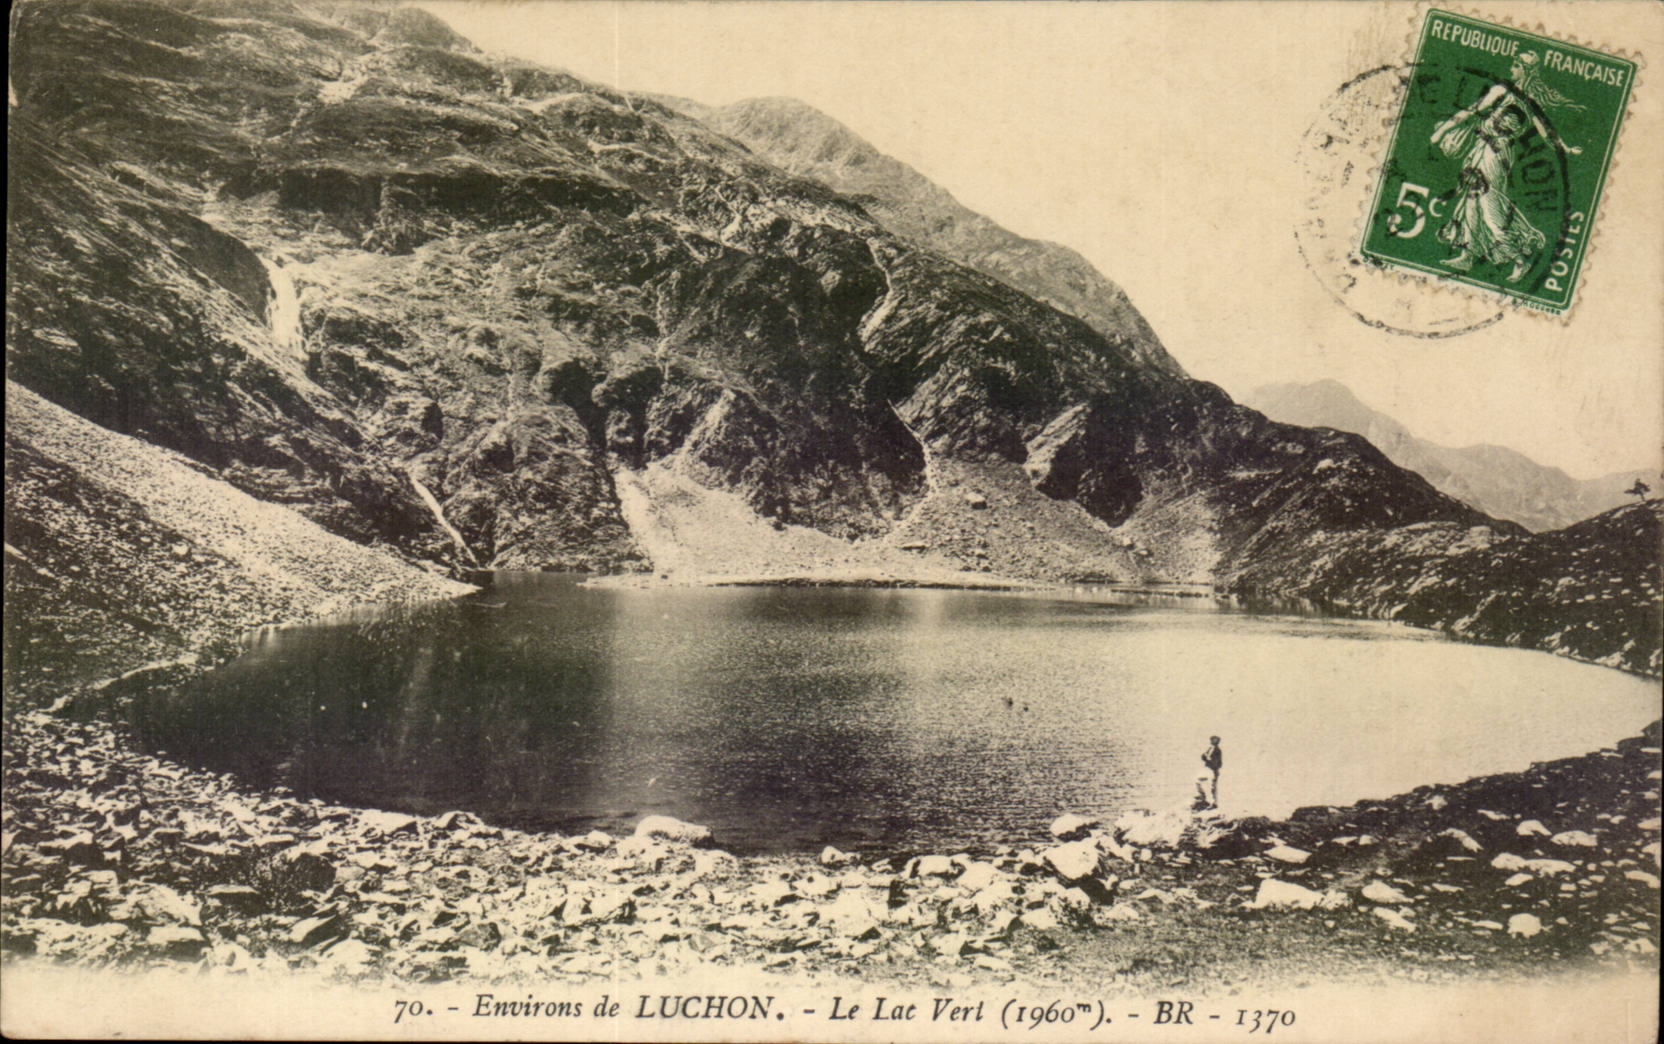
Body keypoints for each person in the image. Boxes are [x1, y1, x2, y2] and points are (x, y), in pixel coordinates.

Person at [1428, 51, 1583, 283]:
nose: (1512, 68)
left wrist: (1564, 148)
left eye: (1517, 64)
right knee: (1471, 203)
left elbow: (1545, 131)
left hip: (1494, 155)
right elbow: (1475, 111)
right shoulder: (1510, 93)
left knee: (1491, 209)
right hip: (1481, 150)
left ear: (1526, 70)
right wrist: (1443, 130)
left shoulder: (1511, 93)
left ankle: (1521, 258)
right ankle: (1469, 255)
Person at [1200, 735, 1223, 809]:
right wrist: (1205, 757)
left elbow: (1218, 763)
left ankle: (1213, 803)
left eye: (1213, 740)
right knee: (1201, 783)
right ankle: (1205, 800)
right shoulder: (1210, 749)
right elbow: (1203, 757)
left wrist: (1209, 760)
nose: (1211, 741)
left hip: (1213, 770)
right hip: (1207, 769)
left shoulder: (1218, 750)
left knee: (1212, 787)